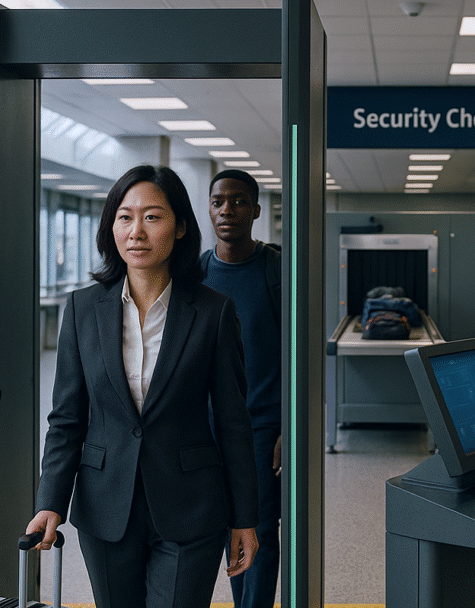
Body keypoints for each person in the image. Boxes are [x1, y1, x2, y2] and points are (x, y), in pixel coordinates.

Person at [25, 165, 260, 608]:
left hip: (191, 507)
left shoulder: (213, 312)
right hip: (105, 506)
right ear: (111, 226)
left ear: (181, 227)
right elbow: (67, 418)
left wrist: (245, 517)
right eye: (125, 217)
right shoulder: (82, 309)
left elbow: (233, 422)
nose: (136, 231)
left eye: (152, 217)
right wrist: (50, 501)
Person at [199, 169, 282, 608]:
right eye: (218, 202)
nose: (227, 210)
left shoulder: (275, 270)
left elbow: (298, 355)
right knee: (227, 525)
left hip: (261, 426)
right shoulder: (195, 273)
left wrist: (289, 427)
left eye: (238, 201)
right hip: (206, 426)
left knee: (260, 527)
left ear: (256, 210)